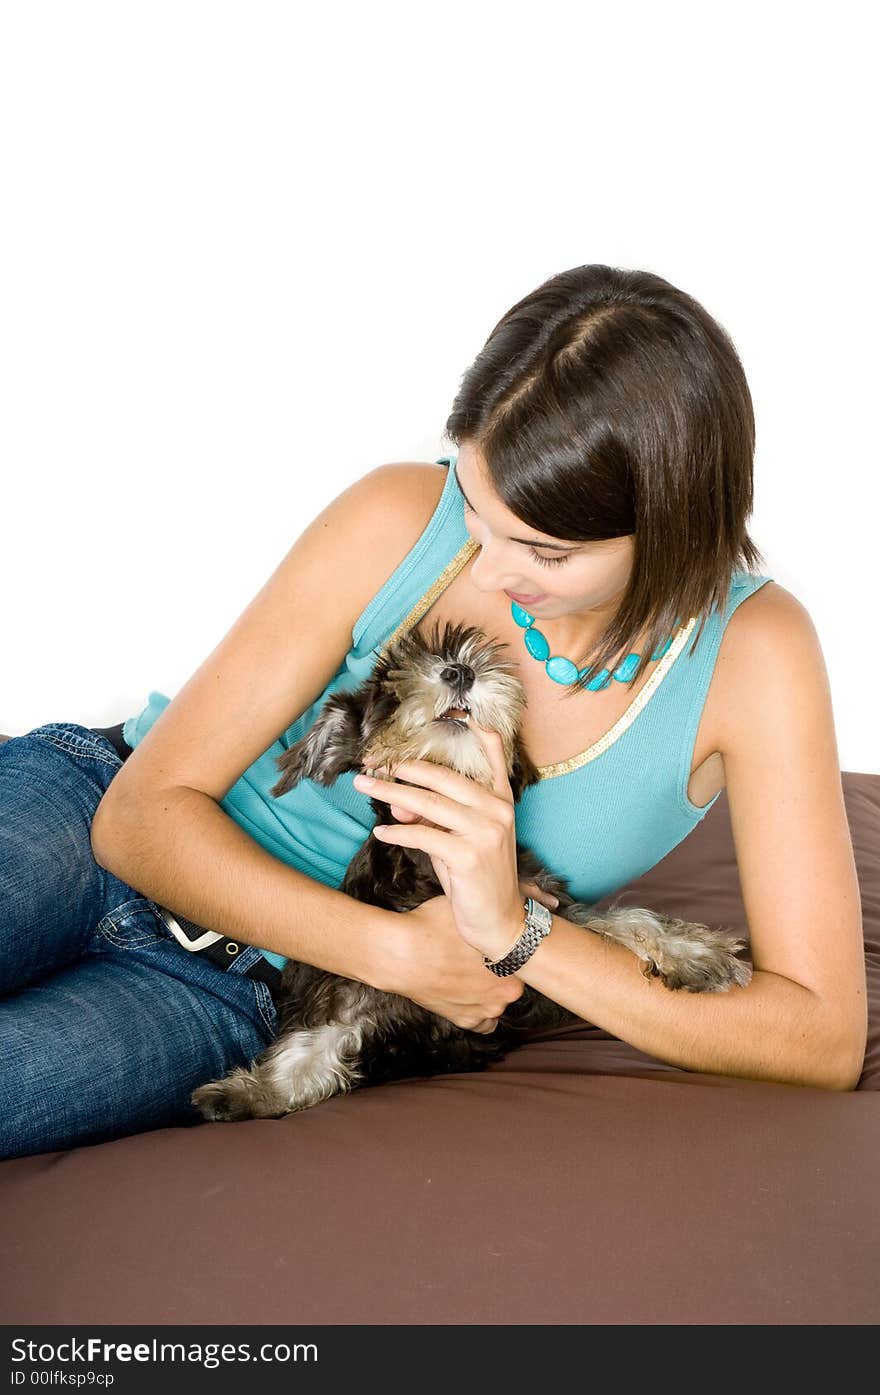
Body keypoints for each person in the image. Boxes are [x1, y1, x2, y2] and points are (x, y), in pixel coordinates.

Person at [0, 263, 867, 1161]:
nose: (486, 571)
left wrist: (516, 937)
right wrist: (403, 956)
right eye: (478, 509)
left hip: (256, 993)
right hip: (87, 811)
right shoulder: (401, 513)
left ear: (674, 527)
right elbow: (138, 818)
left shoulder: (757, 656)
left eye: (542, 548)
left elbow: (821, 1038)